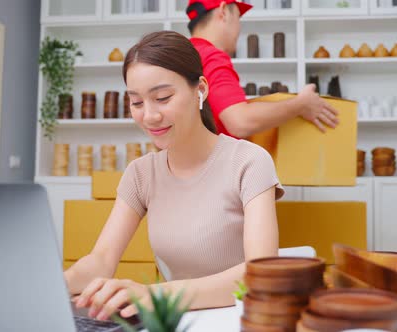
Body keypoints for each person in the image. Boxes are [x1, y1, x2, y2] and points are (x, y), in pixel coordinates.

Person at [64, 31, 284, 321]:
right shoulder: (140, 174)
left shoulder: (248, 161)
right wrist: (48, 288)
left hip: (242, 320)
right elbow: (101, 260)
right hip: (180, 321)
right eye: (137, 103)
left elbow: (260, 272)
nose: (150, 116)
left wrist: (154, 294)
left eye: (163, 98)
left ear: (200, 90)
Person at [186, 0, 340, 138]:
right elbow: (241, 122)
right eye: (238, 18)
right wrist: (301, 104)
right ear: (224, 11)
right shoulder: (211, 57)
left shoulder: (183, 55)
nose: (239, 28)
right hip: (216, 168)